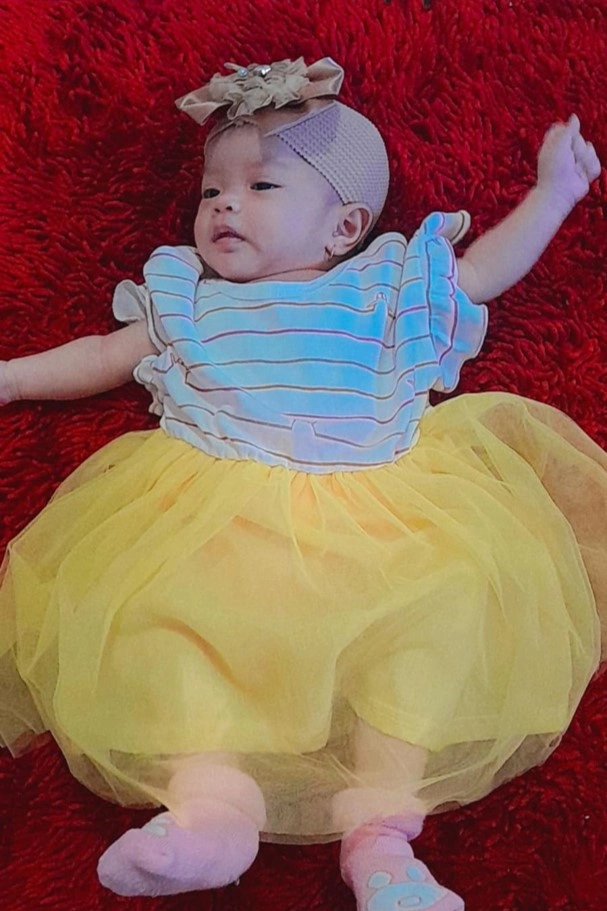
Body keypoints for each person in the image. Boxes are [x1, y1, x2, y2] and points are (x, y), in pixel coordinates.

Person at [0, 56, 605, 910]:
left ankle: (381, 836)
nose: (224, 205)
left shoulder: (387, 290)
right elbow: (102, 355)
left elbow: (480, 272)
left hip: (385, 529)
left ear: (342, 226)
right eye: (212, 190)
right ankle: (210, 806)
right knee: (163, 625)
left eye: (260, 186)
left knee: (435, 622)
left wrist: (552, 194)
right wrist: (13, 377)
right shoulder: (188, 299)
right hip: (216, 526)